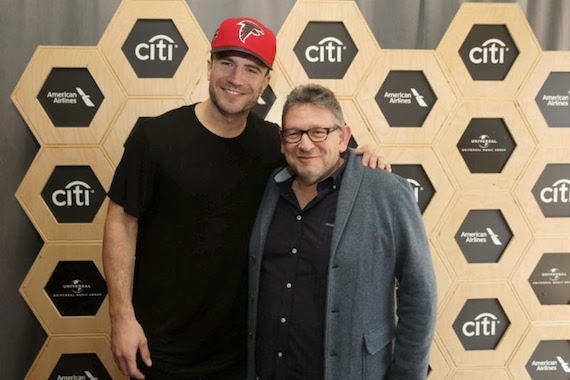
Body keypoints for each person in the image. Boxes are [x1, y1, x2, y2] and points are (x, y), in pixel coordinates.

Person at [103, 18, 387, 380]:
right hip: (161, 348)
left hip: (248, 354)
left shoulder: (278, 144)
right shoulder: (154, 137)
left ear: (266, 82)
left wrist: (368, 157)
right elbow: (120, 222)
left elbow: (328, 149)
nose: (236, 79)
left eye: (251, 69)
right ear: (208, 66)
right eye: (227, 63)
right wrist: (121, 316)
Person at [248, 83, 437, 380]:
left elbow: (420, 294)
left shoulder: (387, 192)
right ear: (283, 142)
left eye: (318, 132)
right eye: (294, 133)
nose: (306, 144)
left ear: (343, 137)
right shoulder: (270, 187)